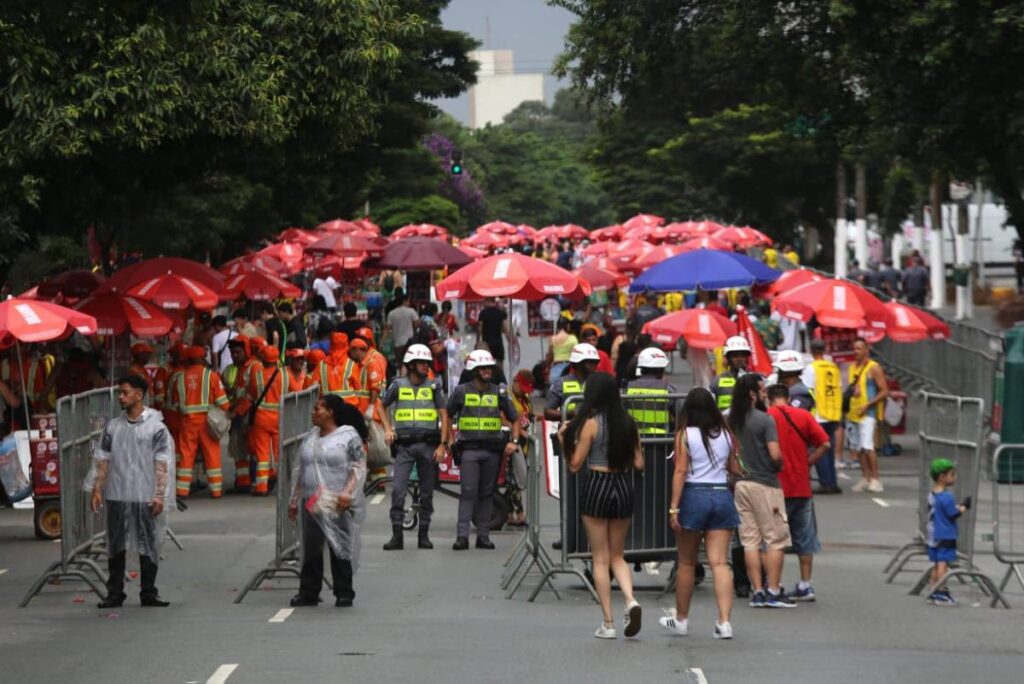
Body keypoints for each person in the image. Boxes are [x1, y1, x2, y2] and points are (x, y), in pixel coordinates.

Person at [559, 372, 644, 639]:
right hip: (623, 485)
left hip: (597, 483)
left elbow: (574, 465)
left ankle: (608, 623)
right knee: (618, 555)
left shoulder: (591, 424)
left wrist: (563, 441)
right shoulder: (629, 423)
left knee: (600, 558)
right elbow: (639, 463)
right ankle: (630, 599)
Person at [662, 387, 742, 640]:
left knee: (687, 562)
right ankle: (724, 622)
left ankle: (682, 619)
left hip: (695, 496)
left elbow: (680, 472)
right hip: (721, 495)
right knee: (719, 562)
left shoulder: (685, 435)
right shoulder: (727, 435)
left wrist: (674, 506)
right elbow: (733, 468)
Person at [91, 375, 174, 608]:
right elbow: (103, 459)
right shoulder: (113, 428)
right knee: (116, 543)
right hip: (118, 493)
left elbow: (162, 463)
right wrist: (97, 488)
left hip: (144, 495)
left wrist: (159, 495)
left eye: (125, 392)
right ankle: (115, 592)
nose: (120, 396)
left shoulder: (156, 428)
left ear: (139, 394)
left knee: (149, 542)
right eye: (119, 392)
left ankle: (148, 591)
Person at [288, 396, 367, 607]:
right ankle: (308, 591)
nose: (313, 412)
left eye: (317, 408)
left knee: (339, 544)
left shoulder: (348, 436)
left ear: (330, 412)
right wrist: (295, 499)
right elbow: (302, 470)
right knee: (311, 547)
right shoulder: (311, 438)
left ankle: (344, 591)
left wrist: (347, 493)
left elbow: (358, 467)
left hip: (336, 501)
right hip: (312, 501)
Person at [729, 374, 794, 608]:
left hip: (741, 484)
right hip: (765, 483)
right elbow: (775, 454)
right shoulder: (765, 421)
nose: (766, 394)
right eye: (763, 390)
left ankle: (757, 590)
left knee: (750, 541)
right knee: (775, 539)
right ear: (753, 394)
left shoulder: (732, 420)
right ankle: (773, 590)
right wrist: (779, 465)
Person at [446, 350, 520, 550]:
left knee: (487, 493)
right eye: (484, 368)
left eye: (489, 368)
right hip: (469, 450)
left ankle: (483, 537)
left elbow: (515, 417)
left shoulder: (499, 392)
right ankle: (462, 536)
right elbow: (447, 412)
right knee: (468, 492)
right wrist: (449, 439)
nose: (488, 371)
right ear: (474, 370)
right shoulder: (461, 391)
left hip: (492, 452)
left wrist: (513, 441)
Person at [381, 344, 449, 551]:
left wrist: (442, 445)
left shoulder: (434, 386)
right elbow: (380, 405)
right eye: (420, 363)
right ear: (410, 365)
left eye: (427, 363)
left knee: (427, 493)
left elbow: (444, 415)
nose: (425, 366)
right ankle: (397, 536)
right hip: (404, 447)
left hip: (429, 446)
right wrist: (387, 429)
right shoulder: (398, 385)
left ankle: (424, 536)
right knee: (398, 491)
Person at [766, 384, 830, 602]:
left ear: (769, 398)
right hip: (802, 486)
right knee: (804, 538)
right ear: (788, 397)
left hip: (776, 486)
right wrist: (808, 462)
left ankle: (774, 583)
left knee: (775, 539)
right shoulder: (803, 416)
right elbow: (825, 443)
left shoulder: (767, 417)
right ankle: (806, 584)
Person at [169, 346, 231, 499]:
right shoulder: (211, 376)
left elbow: (175, 404)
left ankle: (182, 490)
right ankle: (215, 490)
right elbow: (223, 403)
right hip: (207, 422)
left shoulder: (180, 378)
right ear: (201, 358)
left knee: (186, 456)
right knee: (212, 455)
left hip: (187, 422)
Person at [801, 339, 844, 494]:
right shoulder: (833, 368)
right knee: (829, 450)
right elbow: (839, 390)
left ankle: (826, 483)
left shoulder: (811, 369)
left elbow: (807, 391)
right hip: (832, 413)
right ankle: (832, 481)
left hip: (818, 415)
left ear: (811, 351)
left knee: (819, 450)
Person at [847, 338, 889, 493]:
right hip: (854, 412)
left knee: (867, 446)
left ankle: (876, 479)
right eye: (854, 348)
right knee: (858, 447)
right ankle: (866, 477)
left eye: (859, 349)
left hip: (868, 413)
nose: (855, 352)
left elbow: (884, 391)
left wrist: (869, 404)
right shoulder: (852, 368)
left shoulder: (874, 368)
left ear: (866, 350)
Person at [925, 458, 969, 606]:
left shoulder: (932, 494)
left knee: (936, 563)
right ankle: (941, 591)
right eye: (952, 474)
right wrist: (964, 506)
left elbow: (940, 510)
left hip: (933, 532)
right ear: (942, 477)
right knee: (943, 563)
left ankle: (932, 589)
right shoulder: (947, 496)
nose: (954, 477)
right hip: (946, 533)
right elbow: (953, 514)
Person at [246, 345, 286, 495]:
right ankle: (275, 478)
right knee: (277, 451)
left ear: (263, 359)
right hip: (279, 416)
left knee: (262, 453)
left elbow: (250, 396)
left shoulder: (257, 376)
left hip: (262, 417)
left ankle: (261, 487)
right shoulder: (285, 375)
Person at [227, 336, 260, 492]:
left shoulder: (254, 367)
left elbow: (252, 394)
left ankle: (251, 481)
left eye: (237, 352)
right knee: (240, 450)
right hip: (242, 414)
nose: (234, 355)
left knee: (250, 450)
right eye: (232, 352)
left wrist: (237, 412)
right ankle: (243, 482)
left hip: (249, 416)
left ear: (246, 351)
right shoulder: (242, 369)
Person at [625, 347, 678, 435]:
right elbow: (680, 416)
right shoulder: (668, 389)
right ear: (662, 369)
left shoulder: (628, 387)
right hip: (661, 441)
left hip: (634, 439)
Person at [544, 343, 600, 422]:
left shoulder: (601, 383)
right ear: (578, 362)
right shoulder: (560, 383)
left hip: (596, 430)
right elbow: (547, 412)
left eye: (595, 362)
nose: (594, 365)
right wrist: (570, 414)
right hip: (569, 430)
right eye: (590, 361)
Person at [709, 336, 751, 412]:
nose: (739, 359)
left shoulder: (754, 379)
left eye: (742, 355)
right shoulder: (717, 381)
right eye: (735, 355)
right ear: (728, 358)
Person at [385, 293, 419, 365]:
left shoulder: (391, 313)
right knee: (410, 364)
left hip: (397, 343)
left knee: (400, 364)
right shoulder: (411, 311)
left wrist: (381, 343)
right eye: (408, 301)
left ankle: (401, 375)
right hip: (409, 342)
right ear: (404, 301)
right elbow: (417, 325)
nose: (409, 303)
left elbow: (387, 329)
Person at [478, 299, 508, 365]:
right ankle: (500, 375)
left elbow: (480, 328)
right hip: (498, 341)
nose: (483, 304)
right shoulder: (501, 312)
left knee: (486, 363)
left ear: (488, 301)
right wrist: (509, 340)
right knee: (500, 363)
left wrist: (477, 341)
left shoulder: (483, 313)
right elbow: (505, 328)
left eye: (484, 302)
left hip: (486, 342)